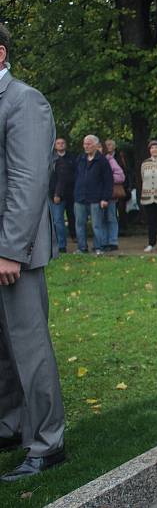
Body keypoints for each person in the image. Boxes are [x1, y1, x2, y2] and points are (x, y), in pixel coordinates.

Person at [0, 24, 66, 482]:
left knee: (29, 348)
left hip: (14, 251)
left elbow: (28, 181)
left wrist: (9, 251)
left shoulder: (26, 100)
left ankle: (48, 442)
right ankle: (11, 426)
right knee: (3, 351)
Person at [73, 135, 113, 255]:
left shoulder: (102, 161)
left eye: (89, 144)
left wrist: (105, 198)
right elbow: (75, 176)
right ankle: (82, 247)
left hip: (96, 198)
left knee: (97, 225)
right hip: (80, 197)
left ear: (96, 145)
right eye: (85, 143)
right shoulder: (80, 159)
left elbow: (108, 181)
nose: (86, 146)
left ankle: (98, 247)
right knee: (80, 224)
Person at [49, 137, 76, 253]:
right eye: (58, 143)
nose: (60, 145)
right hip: (52, 194)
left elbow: (62, 179)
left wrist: (57, 193)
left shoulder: (70, 158)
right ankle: (58, 244)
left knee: (62, 219)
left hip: (66, 194)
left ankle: (62, 244)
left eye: (62, 143)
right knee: (56, 220)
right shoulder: (51, 159)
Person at [102, 139, 125, 251]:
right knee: (100, 219)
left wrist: (107, 179)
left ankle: (112, 241)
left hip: (110, 194)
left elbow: (121, 176)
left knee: (111, 218)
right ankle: (103, 242)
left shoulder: (110, 160)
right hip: (96, 195)